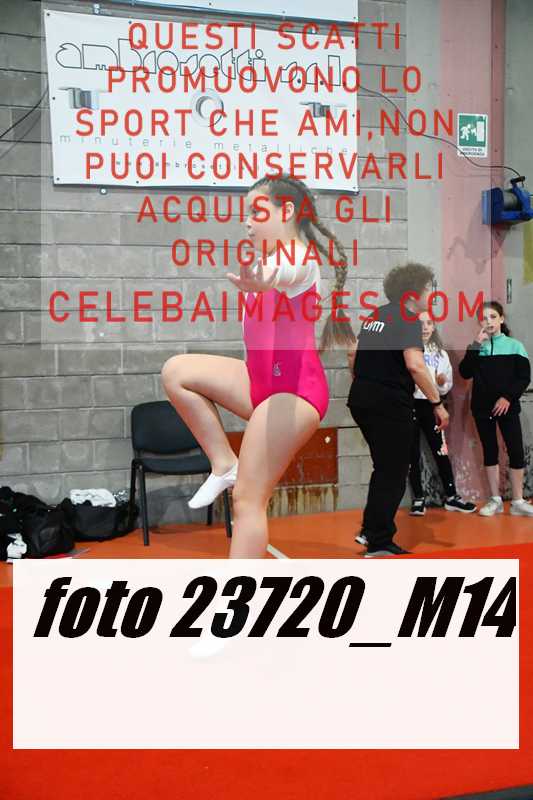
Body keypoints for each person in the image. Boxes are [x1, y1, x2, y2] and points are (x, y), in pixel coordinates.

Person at [161, 174, 355, 558]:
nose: (247, 222)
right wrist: (264, 278)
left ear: (286, 211)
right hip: (259, 382)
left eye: (256, 211)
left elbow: (290, 271)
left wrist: (269, 280)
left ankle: (237, 594)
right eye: (246, 213)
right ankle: (223, 463)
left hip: (294, 392)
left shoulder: (300, 259)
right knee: (176, 372)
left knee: (248, 500)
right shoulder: (265, 263)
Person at [347, 263, 449, 557]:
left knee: (384, 467)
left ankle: (370, 530)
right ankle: (379, 541)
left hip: (362, 399)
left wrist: (366, 383)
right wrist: (437, 404)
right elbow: (415, 365)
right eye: (428, 289)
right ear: (412, 293)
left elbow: (353, 353)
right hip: (388, 404)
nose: (432, 294)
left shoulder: (376, 315)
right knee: (393, 471)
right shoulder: (408, 319)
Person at [459, 300, 532, 517]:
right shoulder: (476, 347)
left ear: (501, 319)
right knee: (490, 451)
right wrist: (475, 345)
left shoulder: (515, 346)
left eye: (492, 317)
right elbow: (465, 372)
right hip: (482, 409)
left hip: (507, 408)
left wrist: (507, 398)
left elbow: (524, 377)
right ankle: (495, 500)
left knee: (516, 451)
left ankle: (518, 501)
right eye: (483, 318)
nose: (488, 321)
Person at [408, 311, 476, 516]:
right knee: (411, 454)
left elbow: (446, 385)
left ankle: (451, 496)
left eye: (429, 323)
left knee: (440, 450)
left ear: (434, 326)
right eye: (420, 323)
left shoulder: (441, 354)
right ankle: (418, 498)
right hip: (409, 406)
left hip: (432, 406)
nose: (425, 327)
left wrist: (441, 383)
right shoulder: (407, 351)